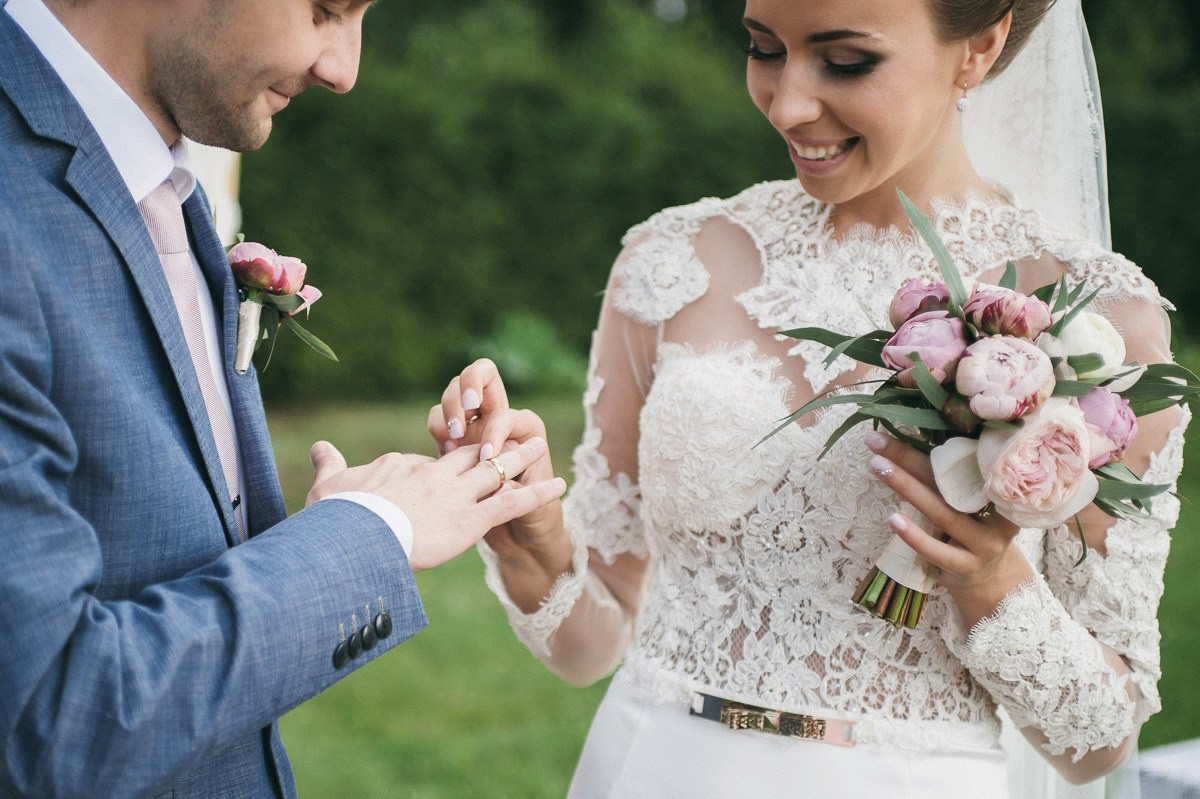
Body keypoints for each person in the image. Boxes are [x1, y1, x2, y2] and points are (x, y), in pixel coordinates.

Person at [430, 0, 1189, 796]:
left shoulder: (1093, 321)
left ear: (981, 45)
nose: (787, 104)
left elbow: (1098, 741)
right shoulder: (671, 263)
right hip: (651, 764)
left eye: (846, 60)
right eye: (763, 48)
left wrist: (988, 579)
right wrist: (539, 554)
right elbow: (591, 645)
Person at [0, 0, 567, 796]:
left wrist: (323, 535)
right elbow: (50, 720)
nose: (344, 70)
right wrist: (374, 532)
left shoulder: (163, 186)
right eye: (328, 8)